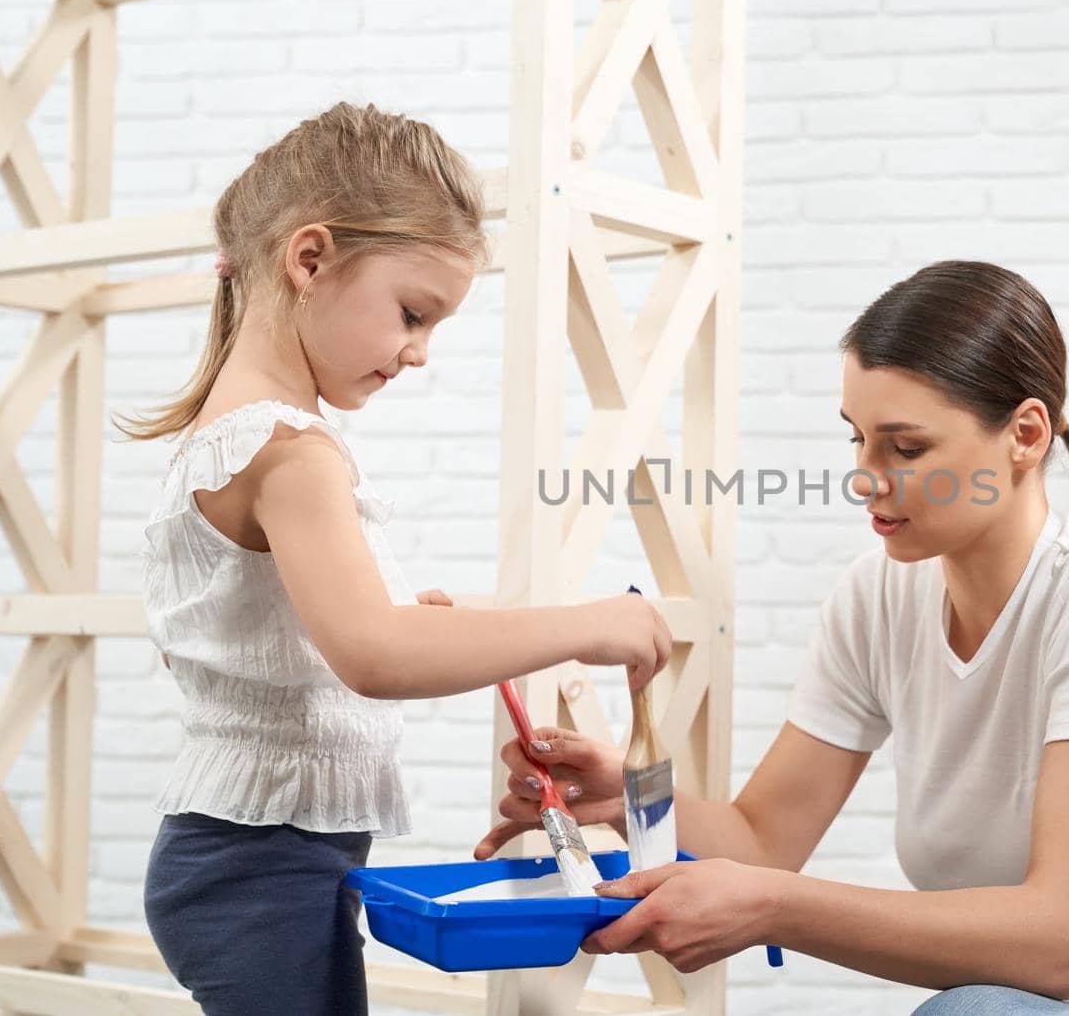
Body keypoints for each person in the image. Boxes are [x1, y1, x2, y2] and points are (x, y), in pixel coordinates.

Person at [478, 261, 1069, 1015]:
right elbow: (766, 839)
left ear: (1025, 435)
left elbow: (1060, 944)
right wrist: (625, 793)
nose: (865, 477)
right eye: (857, 437)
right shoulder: (880, 596)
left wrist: (771, 907)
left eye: (905, 447)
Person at [120, 101, 673, 1016]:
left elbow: (261, 632)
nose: (419, 353)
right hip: (261, 868)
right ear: (309, 259)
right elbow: (376, 657)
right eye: (414, 314)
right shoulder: (289, 448)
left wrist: (390, 611)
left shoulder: (245, 434)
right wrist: (588, 625)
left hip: (255, 859)